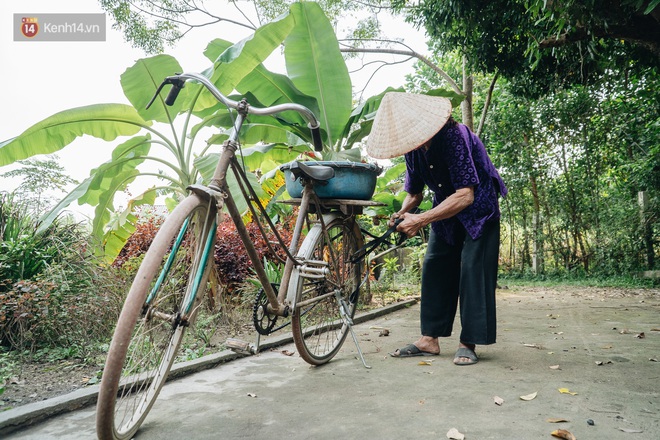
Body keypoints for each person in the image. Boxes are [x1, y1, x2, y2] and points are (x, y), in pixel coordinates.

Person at [366, 92, 507, 366]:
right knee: (435, 264)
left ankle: (468, 343)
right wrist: (402, 213)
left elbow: (466, 195)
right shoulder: (413, 149)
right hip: (445, 208)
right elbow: (414, 194)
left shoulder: (454, 136)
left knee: (472, 270)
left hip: (479, 208)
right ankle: (429, 340)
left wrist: (420, 220)